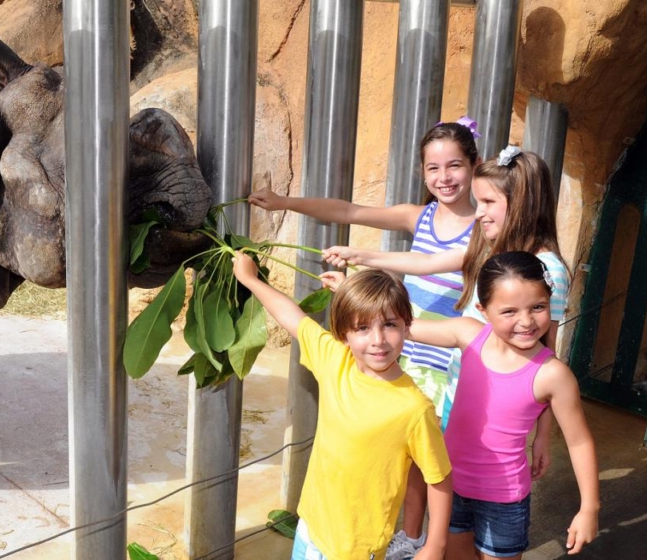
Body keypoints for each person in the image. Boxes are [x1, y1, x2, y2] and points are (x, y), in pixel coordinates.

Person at [252, 120, 480, 559]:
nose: (444, 177)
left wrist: (364, 259)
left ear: (475, 165)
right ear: (422, 171)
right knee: (391, 455)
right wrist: (284, 202)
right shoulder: (422, 215)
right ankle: (404, 536)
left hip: (443, 363)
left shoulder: (484, 229)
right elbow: (349, 212)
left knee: (426, 461)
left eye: (455, 165)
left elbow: (428, 265)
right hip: (399, 346)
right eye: (433, 168)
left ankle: (419, 540)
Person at [322, 147, 565, 472]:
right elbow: (426, 262)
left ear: (522, 202)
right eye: (479, 203)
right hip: (459, 387)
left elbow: (548, 356)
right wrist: (359, 257)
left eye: (489, 202)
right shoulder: (494, 249)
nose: (479, 213)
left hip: (496, 407)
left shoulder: (548, 270)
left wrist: (542, 436)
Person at [232, 256, 452, 560]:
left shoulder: (414, 408)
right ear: (343, 334)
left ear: (407, 326)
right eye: (363, 328)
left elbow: (438, 477)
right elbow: (292, 316)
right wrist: (251, 280)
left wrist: (435, 545)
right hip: (309, 528)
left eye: (390, 325)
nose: (378, 340)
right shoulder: (334, 360)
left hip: (356, 549)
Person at [401, 251, 599, 559]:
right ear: (484, 310)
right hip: (449, 486)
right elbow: (400, 327)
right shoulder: (467, 334)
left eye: (538, 307)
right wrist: (351, 294)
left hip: (504, 500)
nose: (526, 321)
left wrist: (589, 508)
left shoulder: (553, 375)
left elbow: (579, 442)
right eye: (509, 311)